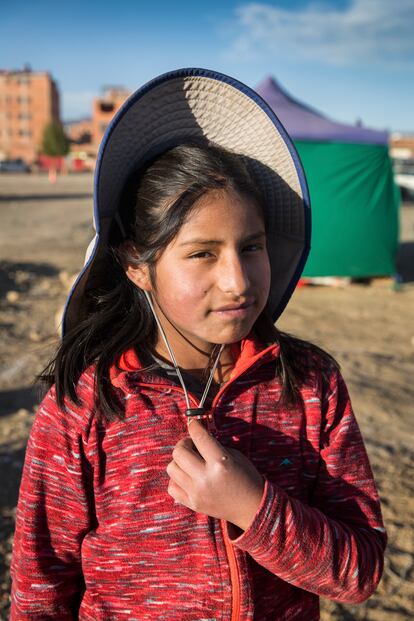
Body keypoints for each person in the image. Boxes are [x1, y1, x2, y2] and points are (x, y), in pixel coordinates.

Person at [10, 68, 387, 621]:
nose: (237, 281)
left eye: (251, 246)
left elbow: (360, 573)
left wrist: (253, 507)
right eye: (202, 253)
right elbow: (40, 589)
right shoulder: (86, 405)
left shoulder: (310, 384)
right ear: (137, 265)